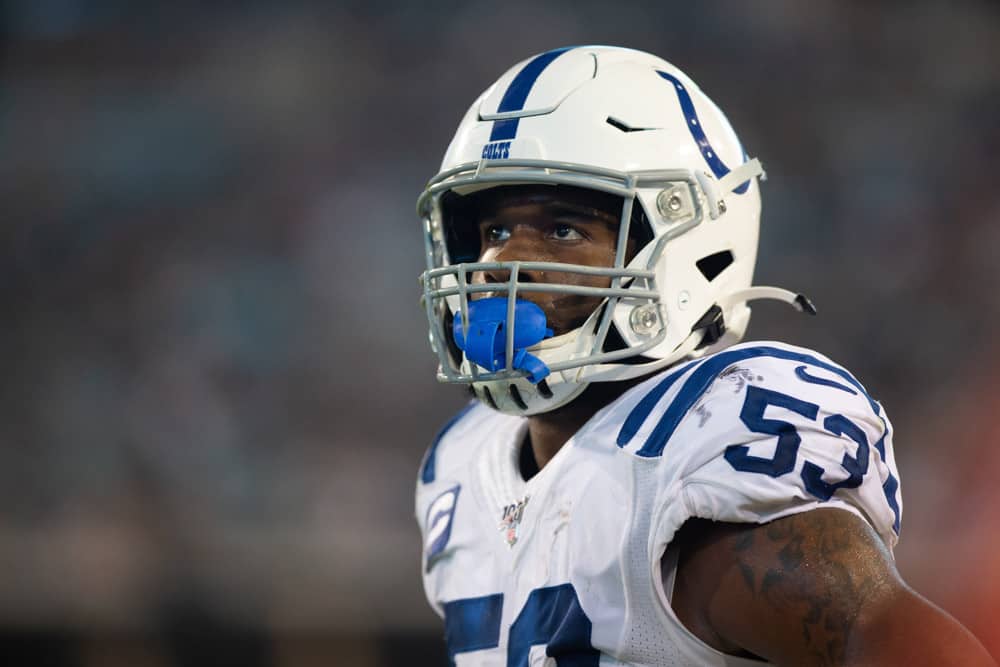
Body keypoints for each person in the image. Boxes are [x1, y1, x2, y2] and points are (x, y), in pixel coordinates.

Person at [413, 46, 995, 666]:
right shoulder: (459, 466)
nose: (503, 264)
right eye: (494, 232)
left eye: (563, 230)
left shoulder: (696, 447)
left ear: (691, 247)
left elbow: (896, 644)